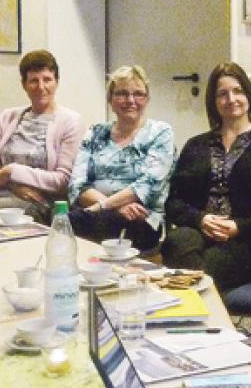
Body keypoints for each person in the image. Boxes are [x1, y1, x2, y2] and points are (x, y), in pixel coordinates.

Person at [162, 61, 251, 292]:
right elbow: (174, 202)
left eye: (238, 91)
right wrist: (201, 219)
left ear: (248, 95)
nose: (231, 99)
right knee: (176, 242)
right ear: (213, 102)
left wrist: (238, 227)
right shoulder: (195, 146)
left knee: (196, 272)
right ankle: (201, 303)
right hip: (201, 233)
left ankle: (198, 306)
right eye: (222, 94)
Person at [67, 65, 175, 253]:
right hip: (94, 213)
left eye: (138, 94)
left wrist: (102, 207)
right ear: (110, 99)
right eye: (122, 94)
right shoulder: (96, 132)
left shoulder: (160, 133)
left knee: (66, 223)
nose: (130, 100)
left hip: (142, 219)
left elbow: (148, 186)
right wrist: (112, 207)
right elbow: (77, 184)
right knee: (46, 214)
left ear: (147, 99)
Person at [0, 49, 82, 221]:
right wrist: (12, 183)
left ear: (57, 82)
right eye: (33, 81)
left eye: (47, 80)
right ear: (24, 85)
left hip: (37, 205)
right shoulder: (8, 116)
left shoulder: (70, 121)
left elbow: (62, 181)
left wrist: (12, 171)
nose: (41, 87)